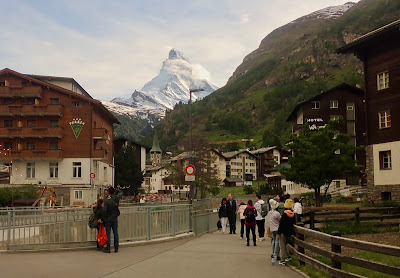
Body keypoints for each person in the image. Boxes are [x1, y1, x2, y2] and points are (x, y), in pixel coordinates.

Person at [103, 187, 123, 253]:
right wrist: (116, 189)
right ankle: (116, 248)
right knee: (115, 233)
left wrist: (103, 219)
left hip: (108, 219)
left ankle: (108, 248)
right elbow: (121, 193)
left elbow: (105, 210)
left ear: (108, 192)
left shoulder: (106, 200)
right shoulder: (116, 198)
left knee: (108, 233)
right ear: (113, 192)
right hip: (114, 217)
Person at [277, 199, 295, 265]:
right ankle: (288, 256)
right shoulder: (293, 214)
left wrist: (278, 233)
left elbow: (281, 224)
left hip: (283, 232)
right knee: (287, 244)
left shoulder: (285, 214)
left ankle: (282, 260)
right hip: (289, 232)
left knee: (282, 246)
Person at [267, 199, 281, 263]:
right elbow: (280, 220)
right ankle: (276, 254)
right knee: (277, 242)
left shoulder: (270, 213)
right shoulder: (277, 213)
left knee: (273, 241)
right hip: (277, 228)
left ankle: (273, 253)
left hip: (272, 228)